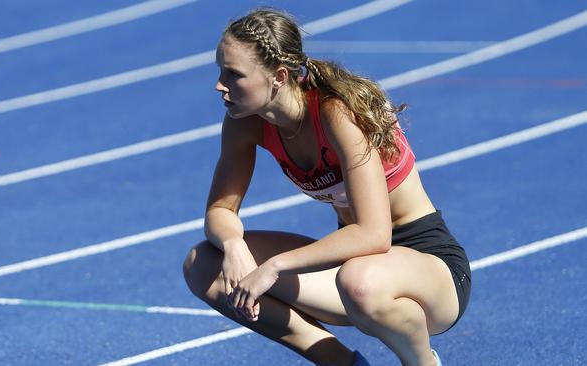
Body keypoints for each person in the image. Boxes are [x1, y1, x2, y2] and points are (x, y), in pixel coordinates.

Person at [183, 8, 471, 366]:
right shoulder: (245, 123)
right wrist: (233, 245)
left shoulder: (336, 112)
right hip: (355, 272)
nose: (219, 84)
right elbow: (220, 211)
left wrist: (272, 267)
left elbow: (373, 235)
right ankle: (342, 363)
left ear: (279, 76)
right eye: (219, 69)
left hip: (430, 270)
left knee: (359, 281)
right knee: (203, 264)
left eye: (234, 74)